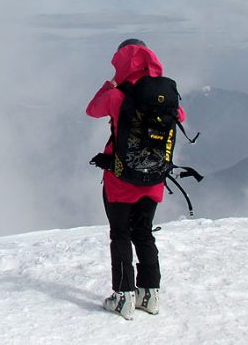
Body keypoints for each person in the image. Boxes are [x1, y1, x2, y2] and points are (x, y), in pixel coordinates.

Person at [86, 38, 186, 320]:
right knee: (144, 233)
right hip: (153, 180)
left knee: (120, 235)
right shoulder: (165, 97)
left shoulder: (119, 96)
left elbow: (92, 109)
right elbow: (181, 115)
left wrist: (109, 86)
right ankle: (150, 295)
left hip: (120, 181)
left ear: (120, 62)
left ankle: (123, 297)